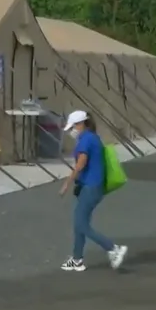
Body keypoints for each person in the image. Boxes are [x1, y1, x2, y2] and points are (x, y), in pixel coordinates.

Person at [58, 110, 127, 272]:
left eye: (72, 127)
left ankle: (113, 248)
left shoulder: (86, 141)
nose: (71, 131)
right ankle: (77, 259)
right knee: (79, 223)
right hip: (91, 186)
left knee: (81, 224)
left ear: (81, 124)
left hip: (91, 187)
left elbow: (80, 164)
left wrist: (66, 184)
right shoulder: (91, 137)